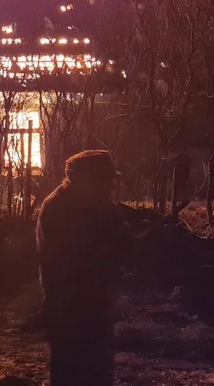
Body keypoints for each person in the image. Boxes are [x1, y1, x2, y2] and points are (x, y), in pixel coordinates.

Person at [36, 150, 147, 386]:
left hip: (95, 307)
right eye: (104, 180)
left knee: (98, 371)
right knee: (71, 372)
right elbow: (78, 258)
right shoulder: (58, 209)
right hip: (68, 310)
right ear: (85, 180)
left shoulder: (100, 206)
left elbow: (123, 247)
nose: (109, 186)